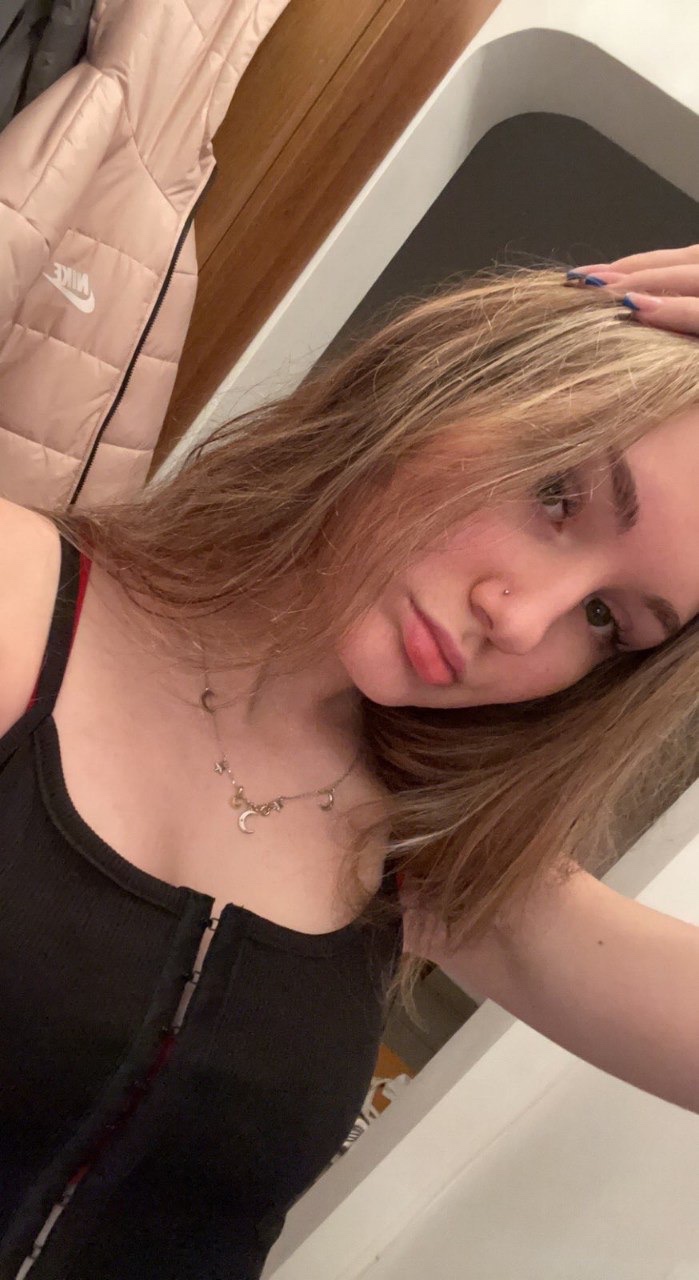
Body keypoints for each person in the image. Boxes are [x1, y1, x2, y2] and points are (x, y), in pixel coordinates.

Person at [1, 244, 698, 1278]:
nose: (523, 619)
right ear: (446, 384)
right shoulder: (16, 599)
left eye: (606, 619)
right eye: (556, 494)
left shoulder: (427, 855)